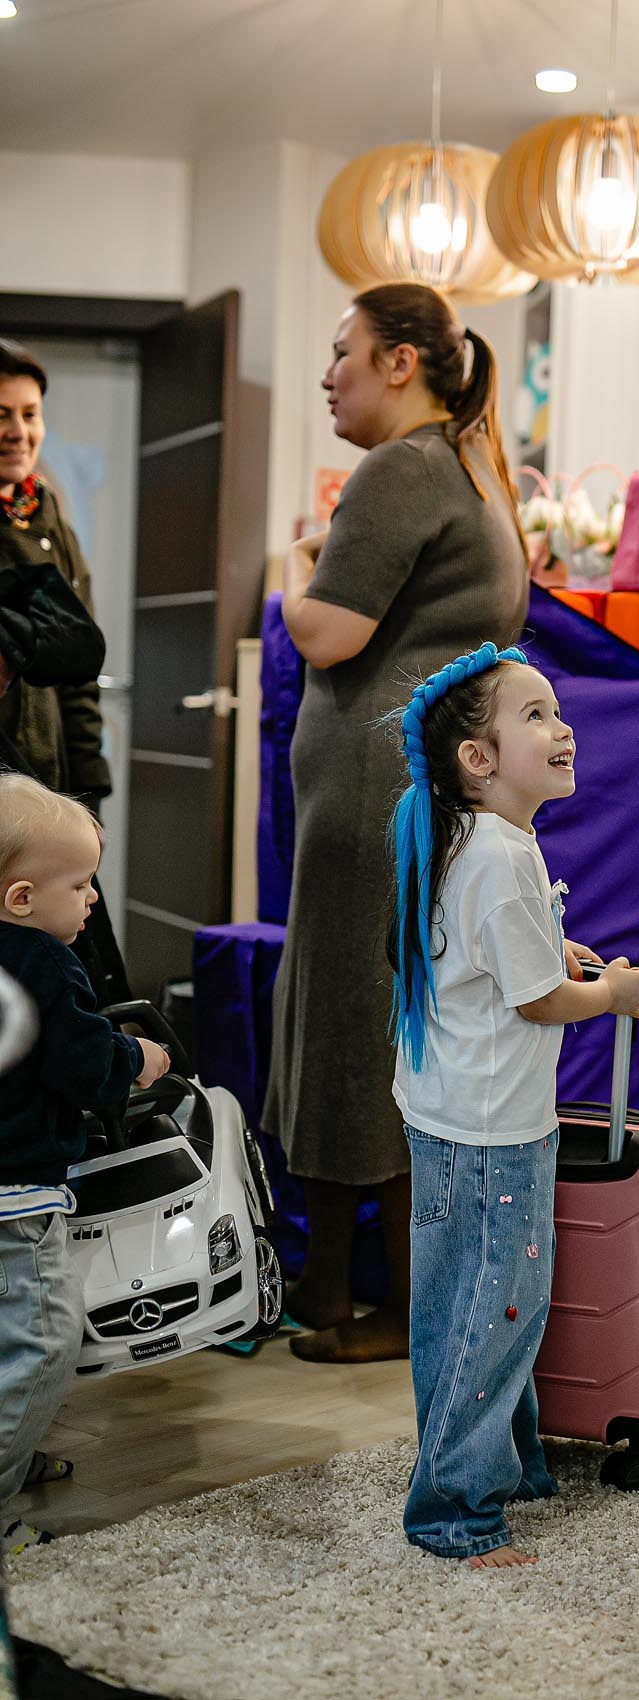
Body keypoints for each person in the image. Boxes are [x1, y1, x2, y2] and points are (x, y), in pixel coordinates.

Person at [262, 283, 530, 1364]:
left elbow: (326, 633)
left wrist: (291, 574)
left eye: (344, 352)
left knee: (351, 1026)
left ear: (401, 362)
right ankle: (351, 1287)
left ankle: (364, 1300)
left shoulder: (399, 467)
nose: (329, 375)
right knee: (395, 1021)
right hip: (413, 781)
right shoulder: (472, 466)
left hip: (371, 786)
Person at [389, 642, 639, 1566]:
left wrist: (559, 949)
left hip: (450, 1116)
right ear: (479, 758)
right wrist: (607, 993)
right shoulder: (500, 853)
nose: (561, 727)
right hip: (493, 1134)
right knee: (500, 1313)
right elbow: (537, 1001)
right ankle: (455, 1511)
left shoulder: (476, 840)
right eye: (534, 714)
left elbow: (492, 953)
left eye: (557, 710)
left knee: (463, 1305)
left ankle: (506, 1461)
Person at [0, 773, 168, 1559]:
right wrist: (139, 1058)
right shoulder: (42, 961)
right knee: (42, 1346)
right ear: (22, 898)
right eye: (79, 884)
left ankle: (13, 1449)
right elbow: (83, 1062)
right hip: (17, 1199)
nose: (92, 898)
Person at [0, 339, 128, 1010]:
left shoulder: (48, 515)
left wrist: (88, 794)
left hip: (48, 772)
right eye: (1, 415)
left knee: (65, 966)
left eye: (30, 414)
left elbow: (80, 671)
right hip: (2, 777)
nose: (18, 432)